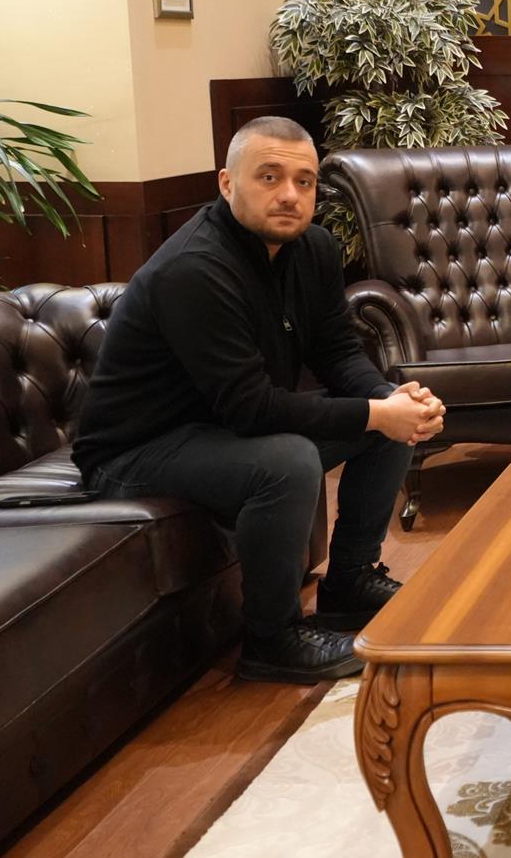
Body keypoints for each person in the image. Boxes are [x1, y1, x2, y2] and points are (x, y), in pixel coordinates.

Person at [73, 117, 446, 684]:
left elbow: (338, 352)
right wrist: (379, 412)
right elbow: (252, 409)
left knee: (388, 421)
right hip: (137, 450)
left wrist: (391, 399)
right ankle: (271, 639)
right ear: (227, 183)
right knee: (289, 460)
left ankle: (349, 582)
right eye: (269, 177)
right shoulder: (194, 268)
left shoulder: (313, 247)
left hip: (218, 430)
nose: (290, 195)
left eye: (305, 181)